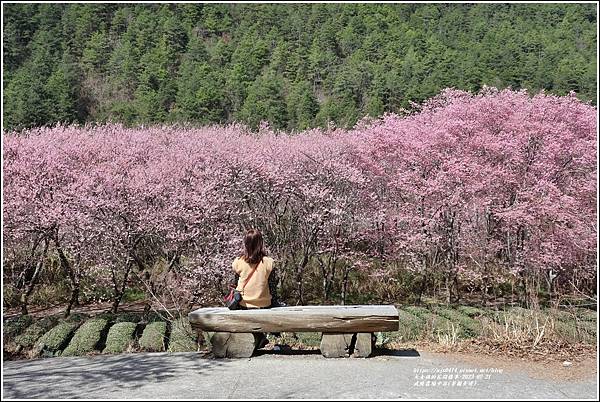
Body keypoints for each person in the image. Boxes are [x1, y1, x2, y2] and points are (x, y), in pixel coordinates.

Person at [229, 228, 286, 347]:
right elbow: (272, 286)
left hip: (244, 304)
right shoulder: (268, 262)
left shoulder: (238, 262)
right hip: (264, 303)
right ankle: (273, 336)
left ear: (246, 244)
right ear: (261, 243)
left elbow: (235, 284)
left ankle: (259, 337)